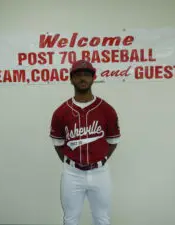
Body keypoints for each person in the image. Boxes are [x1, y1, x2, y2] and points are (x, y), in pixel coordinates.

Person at [49, 59, 121, 225]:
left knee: (102, 218)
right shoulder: (61, 112)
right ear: (71, 79)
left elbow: (112, 141)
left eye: (87, 75)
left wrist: (99, 160)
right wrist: (73, 162)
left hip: (100, 172)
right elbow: (58, 144)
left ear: (93, 78)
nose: (83, 78)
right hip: (72, 173)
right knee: (70, 219)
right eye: (78, 75)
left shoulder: (106, 109)